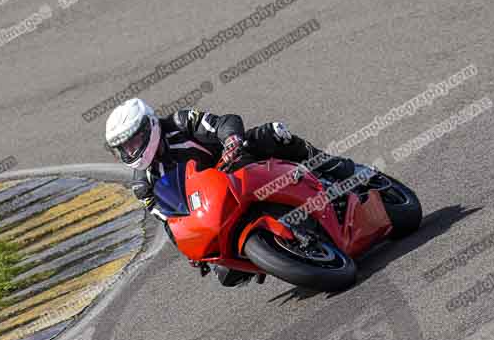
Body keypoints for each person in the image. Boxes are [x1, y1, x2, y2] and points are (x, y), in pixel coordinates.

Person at [104, 98, 355, 283]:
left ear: (149, 126)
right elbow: (170, 221)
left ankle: (328, 164)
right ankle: (278, 252)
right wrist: (190, 250)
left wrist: (232, 140)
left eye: (134, 141)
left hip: (235, 165)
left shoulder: (180, 123)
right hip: (211, 208)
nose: (131, 151)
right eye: (123, 148)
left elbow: (224, 122)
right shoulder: (144, 186)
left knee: (274, 134)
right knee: (225, 274)